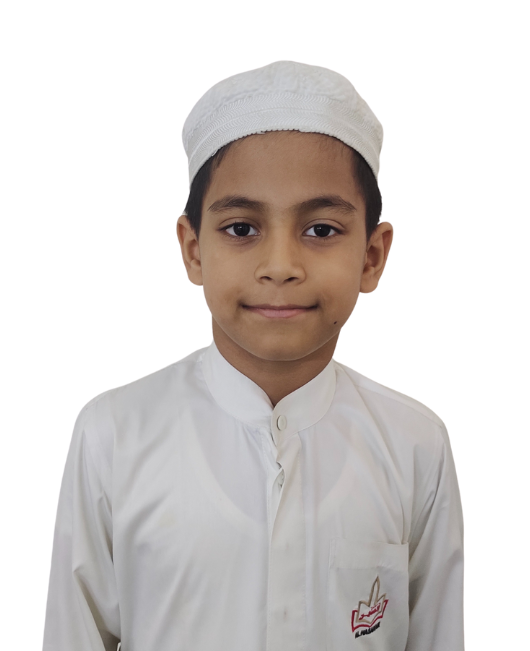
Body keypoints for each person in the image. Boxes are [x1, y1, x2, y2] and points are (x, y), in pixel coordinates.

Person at [42, 60, 464, 651]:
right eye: (242, 229)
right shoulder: (114, 434)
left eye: (321, 230)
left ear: (372, 256)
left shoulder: (414, 444)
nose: (281, 266)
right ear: (194, 250)